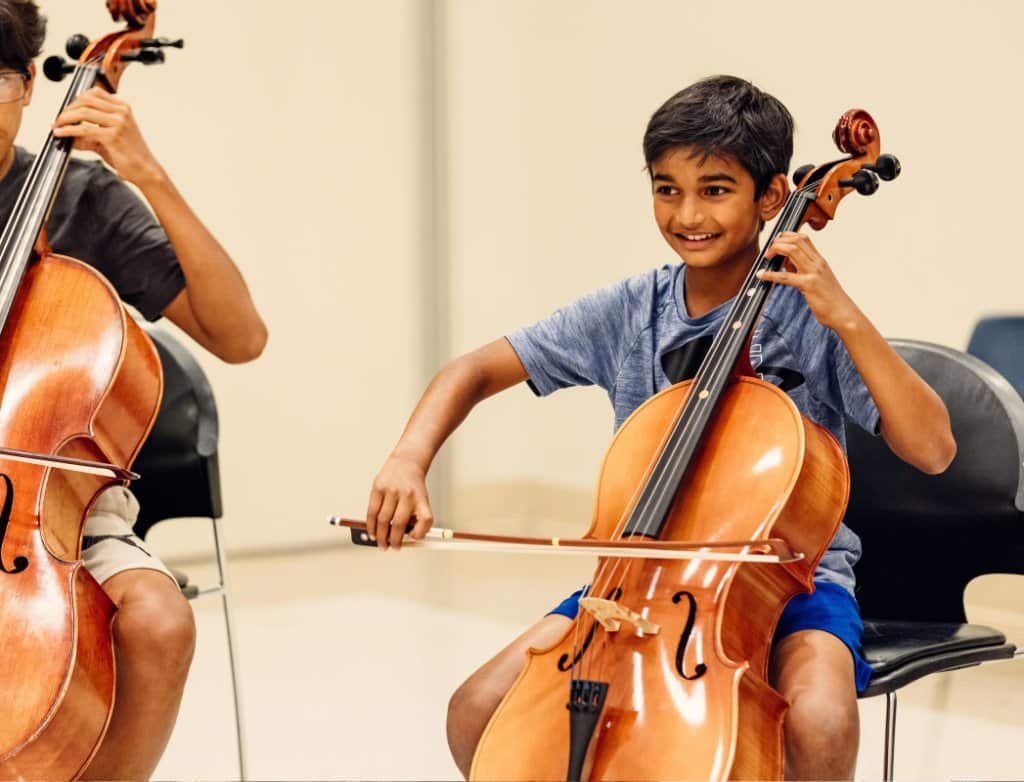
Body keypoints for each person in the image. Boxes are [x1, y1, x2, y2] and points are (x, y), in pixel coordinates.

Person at [367, 74, 956, 780]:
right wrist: (408, 458)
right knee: (478, 709)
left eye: (714, 189)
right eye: (665, 188)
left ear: (772, 198)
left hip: (794, 581)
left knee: (822, 721)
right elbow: (470, 370)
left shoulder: (809, 316)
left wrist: (847, 317)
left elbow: (933, 448)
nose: (686, 212)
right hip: (635, 579)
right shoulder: (631, 310)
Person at [0, 1, 267, 778]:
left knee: (158, 622)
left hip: (49, 511)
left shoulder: (83, 199)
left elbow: (240, 336)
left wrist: (144, 171)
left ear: (27, 88)